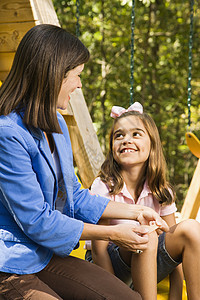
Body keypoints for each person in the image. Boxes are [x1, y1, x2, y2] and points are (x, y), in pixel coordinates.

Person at [0, 24, 169, 300]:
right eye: (76, 76)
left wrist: (136, 212)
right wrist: (114, 235)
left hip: (45, 257)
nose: (79, 85)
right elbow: (38, 221)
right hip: (10, 264)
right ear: (52, 75)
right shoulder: (8, 134)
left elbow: (75, 197)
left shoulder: (57, 124)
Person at [85, 102, 200, 300]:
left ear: (152, 144)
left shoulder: (161, 190)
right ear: (112, 146)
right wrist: (114, 294)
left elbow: (173, 244)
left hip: (149, 260)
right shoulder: (103, 186)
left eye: (136, 134)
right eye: (118, 135)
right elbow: (98, 250)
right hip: (108, 267)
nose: (126, 140)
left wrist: (175, 295)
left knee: (190, 228)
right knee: (147, 233)